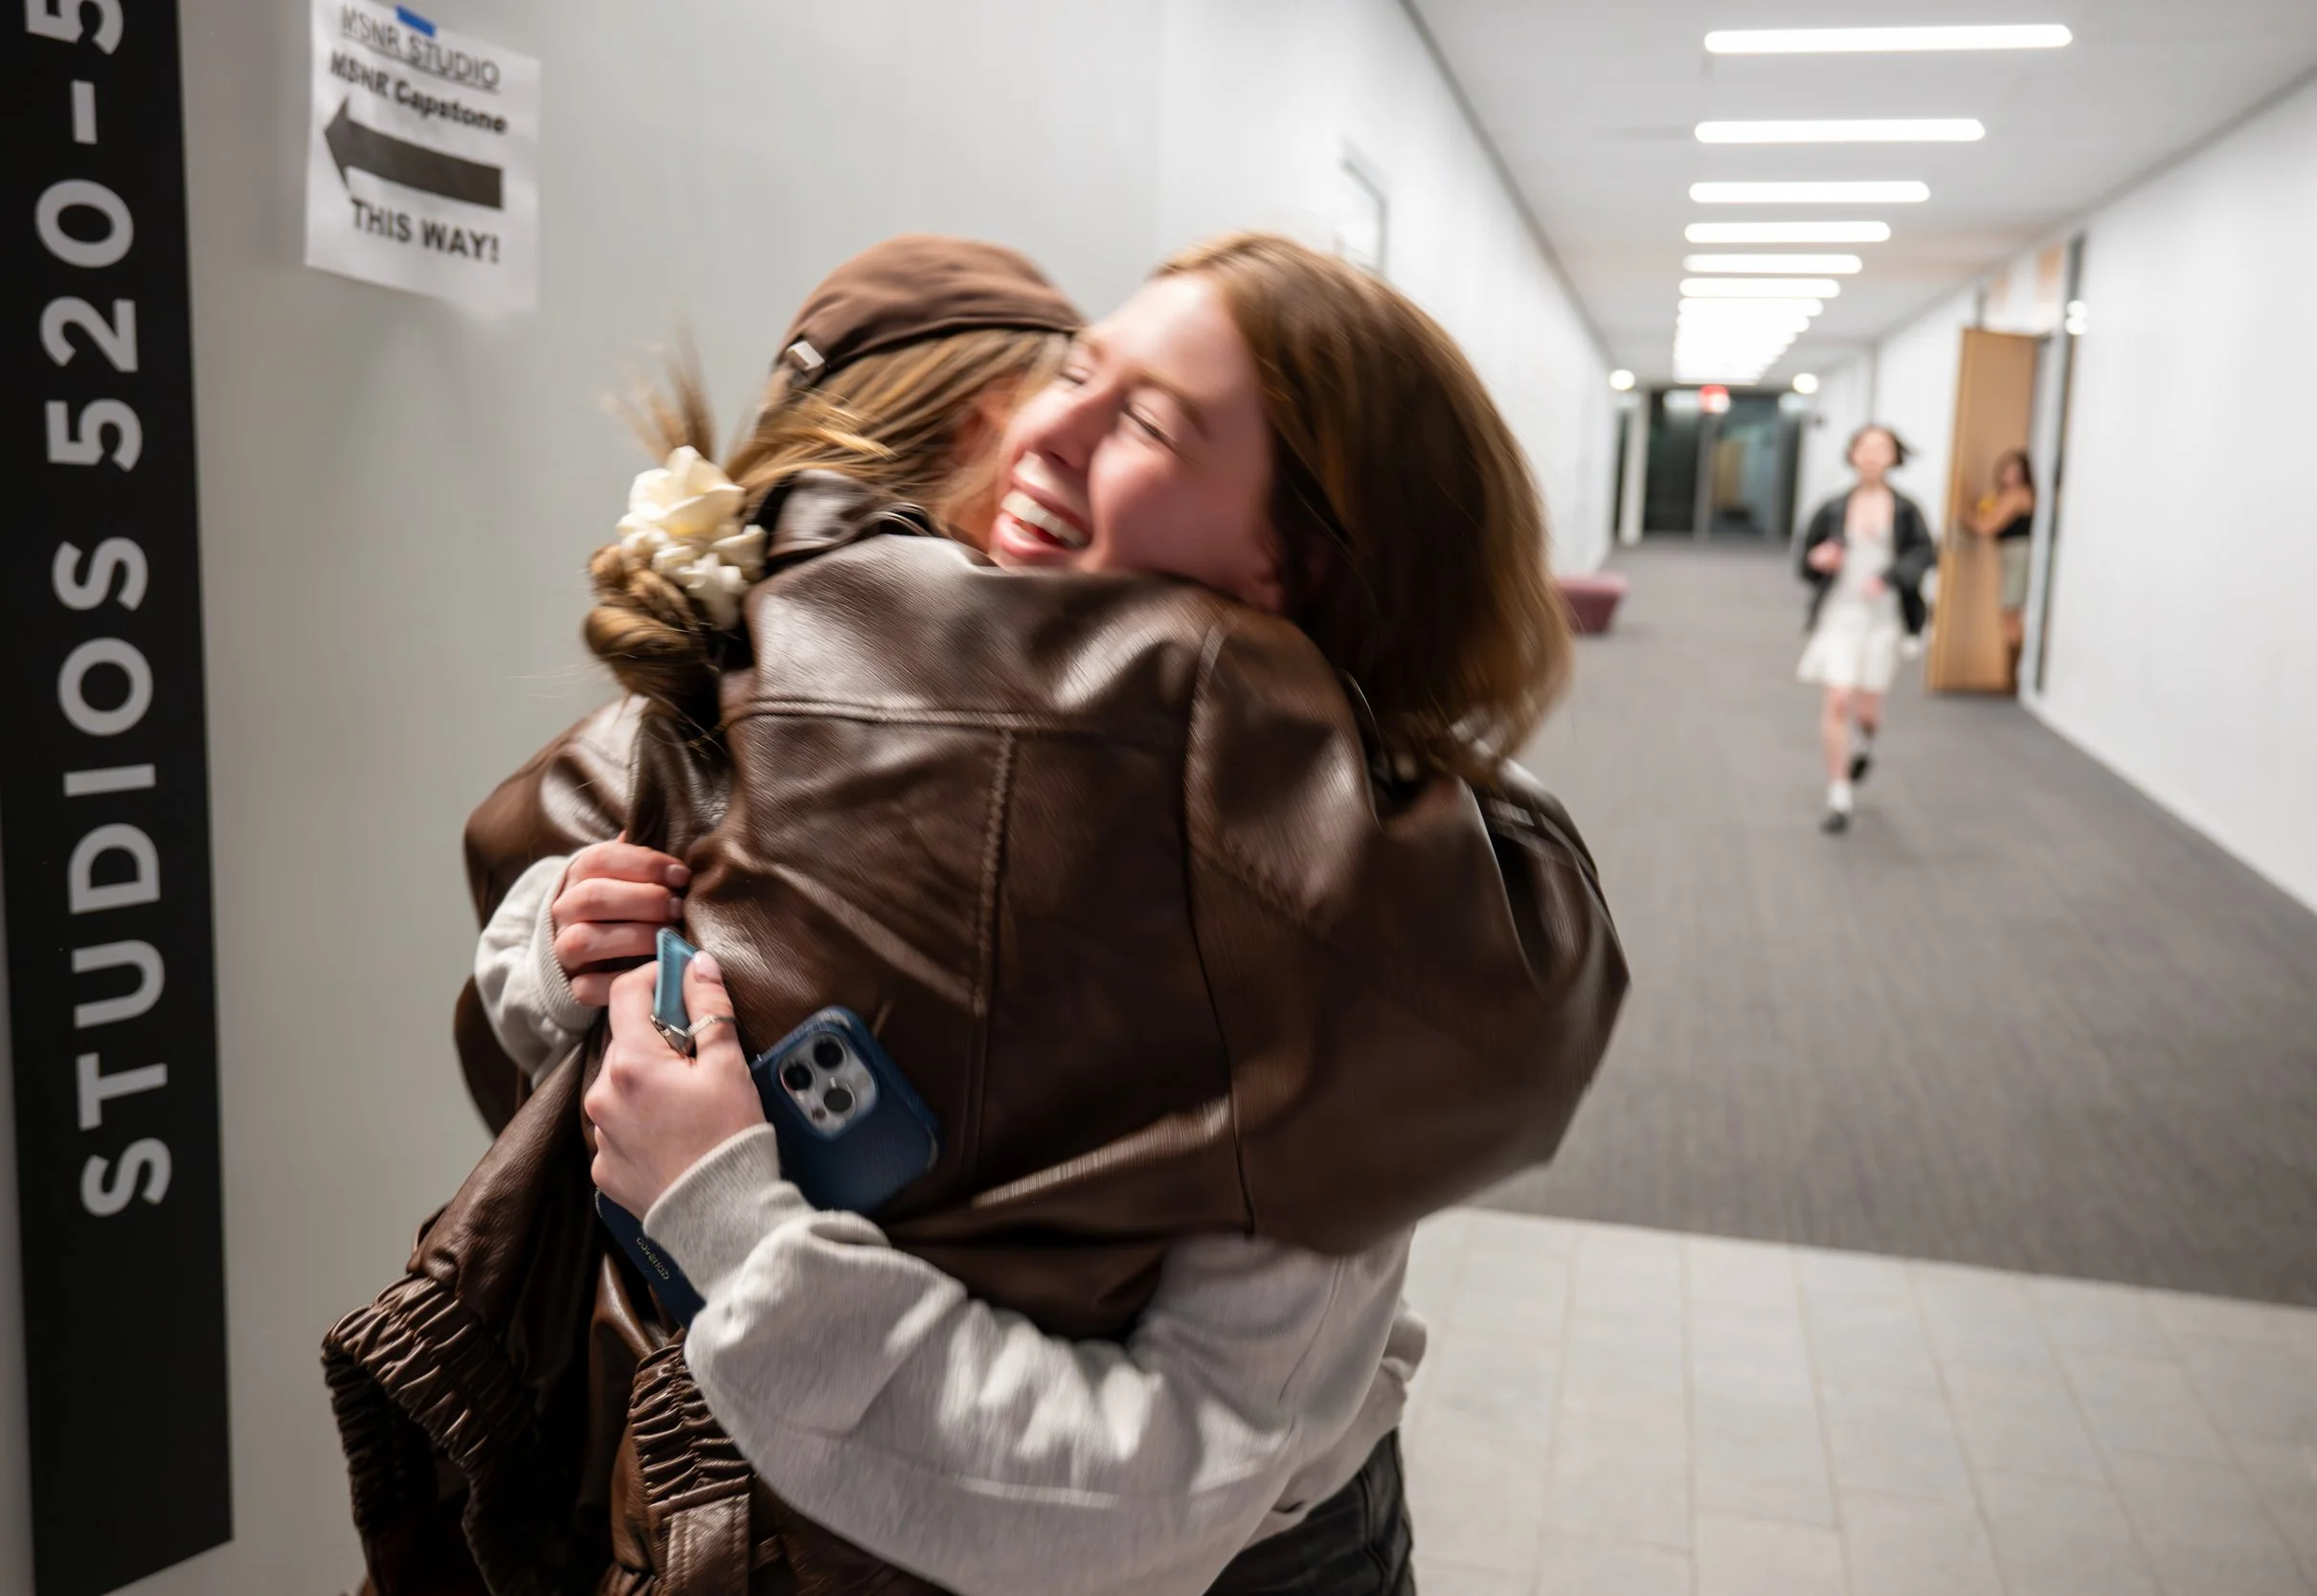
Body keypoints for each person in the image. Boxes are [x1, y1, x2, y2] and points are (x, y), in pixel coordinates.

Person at [328, 235, 1624, 1596]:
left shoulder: (1335, 912)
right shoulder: (926, 704)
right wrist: (568, 944)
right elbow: (617, 949)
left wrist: (733, 1223)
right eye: (1080, 367)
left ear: (1287, 561)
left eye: (1145, 418)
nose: (1042, 426)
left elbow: (1158, 1495)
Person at [1795, 422, 1936, 835]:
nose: (1873, 454)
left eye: (1882, 448)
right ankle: (1839, 794)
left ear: (1894, 457)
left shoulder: (1906, 509)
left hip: (1884, 619)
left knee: (1868, 710)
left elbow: (1925, 554)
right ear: (1853, 454)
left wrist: (1889, 578)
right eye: (1865, 447)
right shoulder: (1833, 506)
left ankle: (1867, 742)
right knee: (1838, 698)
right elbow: (1804, 560)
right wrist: (1818, 559)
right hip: (1839, 614)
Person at [1961, 447, 2036, 676]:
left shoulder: (2017, 496)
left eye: (2016, 471)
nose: (2009, 475)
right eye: (2007, 469)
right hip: (2012, 555)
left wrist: (1963, 511)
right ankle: (2014, 673)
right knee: (2011, 611)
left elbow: (1986, 526)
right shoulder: (2008, 496)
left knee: (2011, 610)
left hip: (2018, 555)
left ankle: (2014, 676)